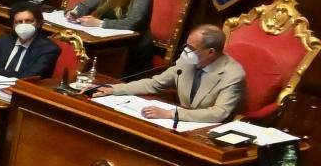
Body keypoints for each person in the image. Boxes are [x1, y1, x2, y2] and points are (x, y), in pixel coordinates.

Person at [93, 22, 247, 124]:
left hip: (206, 131)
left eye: (192, 48)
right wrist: (114, 89)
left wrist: (171, 114)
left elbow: (218, 113)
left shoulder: (233, 75)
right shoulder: (187, 60)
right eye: (186, 45)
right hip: (178, 126)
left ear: (211, 52)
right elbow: (155, 84)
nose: (186, 51)